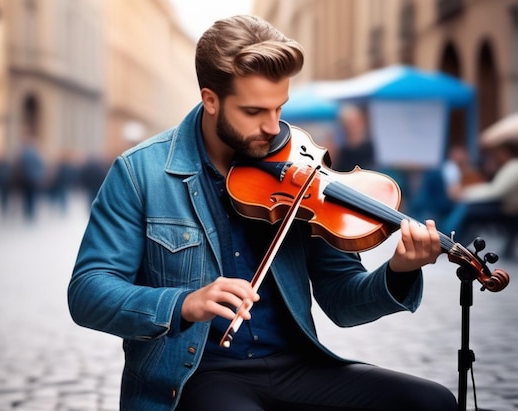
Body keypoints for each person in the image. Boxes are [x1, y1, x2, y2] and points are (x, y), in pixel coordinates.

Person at [68, 15, 456, 411]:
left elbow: (342, 301)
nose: (274, 127)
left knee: (432, 402)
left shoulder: (301, 172)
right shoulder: (141, 172)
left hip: (298, 366)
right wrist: (184, 303)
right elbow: (88, 293)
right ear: (210, 100)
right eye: (254, 112)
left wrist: (400, 271)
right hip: (198, 376)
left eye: (279, 108)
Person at [441, 141, 518, 242]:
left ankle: (448, 235)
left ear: (506, 152)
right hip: (502, 205)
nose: (497, 155)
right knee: (465, 207)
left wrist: (467, 193)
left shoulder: (513, 167)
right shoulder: (510, 166)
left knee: (466, 208)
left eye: (499, 152)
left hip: (505, 207)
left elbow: (495, 191)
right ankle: (451, 235)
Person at [332, 104, 376, 172]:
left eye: (353, 123)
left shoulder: (371, 148)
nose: (350, 127)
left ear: (362, 122)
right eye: (347, 124)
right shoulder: (342, 153)